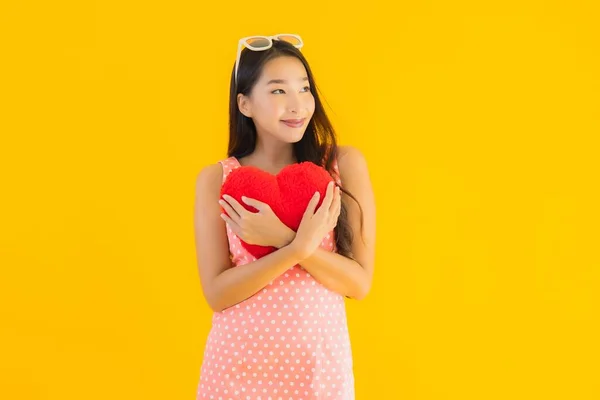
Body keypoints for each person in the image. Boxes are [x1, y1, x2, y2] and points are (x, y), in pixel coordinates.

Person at [194, 34, 376, 400]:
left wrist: (283, 238)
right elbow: (217, 293)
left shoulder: (342, 165)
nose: (297, 105)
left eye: (304, 89)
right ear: (244, 104)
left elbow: (359, 283)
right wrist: (297, 249)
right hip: (237, 369)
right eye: (278, 91)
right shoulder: (218, 179)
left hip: (319, 372)